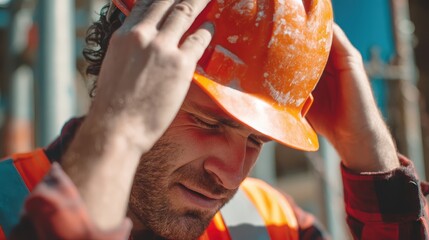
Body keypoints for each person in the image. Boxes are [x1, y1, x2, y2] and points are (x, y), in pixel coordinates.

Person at [1, 0, 428, 239]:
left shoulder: (267, 223)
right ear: (124, 64)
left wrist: (375, 161)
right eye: (209, 123)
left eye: (257, 140)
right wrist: (118, 132)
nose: (229, 173)